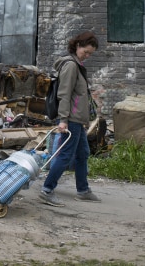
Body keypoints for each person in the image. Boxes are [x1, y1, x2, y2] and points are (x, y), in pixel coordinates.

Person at [39, 30, 102, 207]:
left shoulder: (77, 65)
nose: (87, 55)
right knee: (65, 155)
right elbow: (64, 94)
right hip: (71, 119)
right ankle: (47, 190)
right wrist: (63, 119)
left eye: (90, 53)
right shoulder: (71, 66)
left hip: (78, 120)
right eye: (85, 51)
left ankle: (83, 190)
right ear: (77, 46)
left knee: (83, 153)